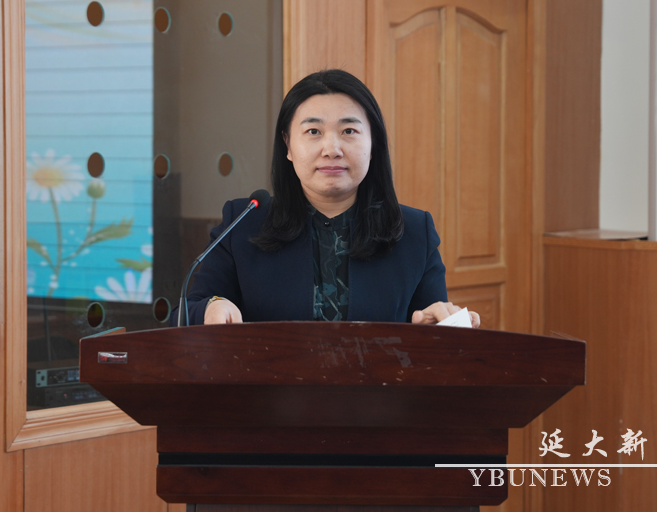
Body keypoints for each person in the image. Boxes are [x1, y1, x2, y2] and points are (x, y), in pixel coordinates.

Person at [178, 69, 480, 328]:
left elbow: (432, 331)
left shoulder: (414, 232)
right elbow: (185, 313)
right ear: (287, 145)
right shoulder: (244, 222)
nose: (331, 149)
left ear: (373, 143)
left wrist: (441, 323)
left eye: (349, 131)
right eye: (313, 131)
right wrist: (211, 307)